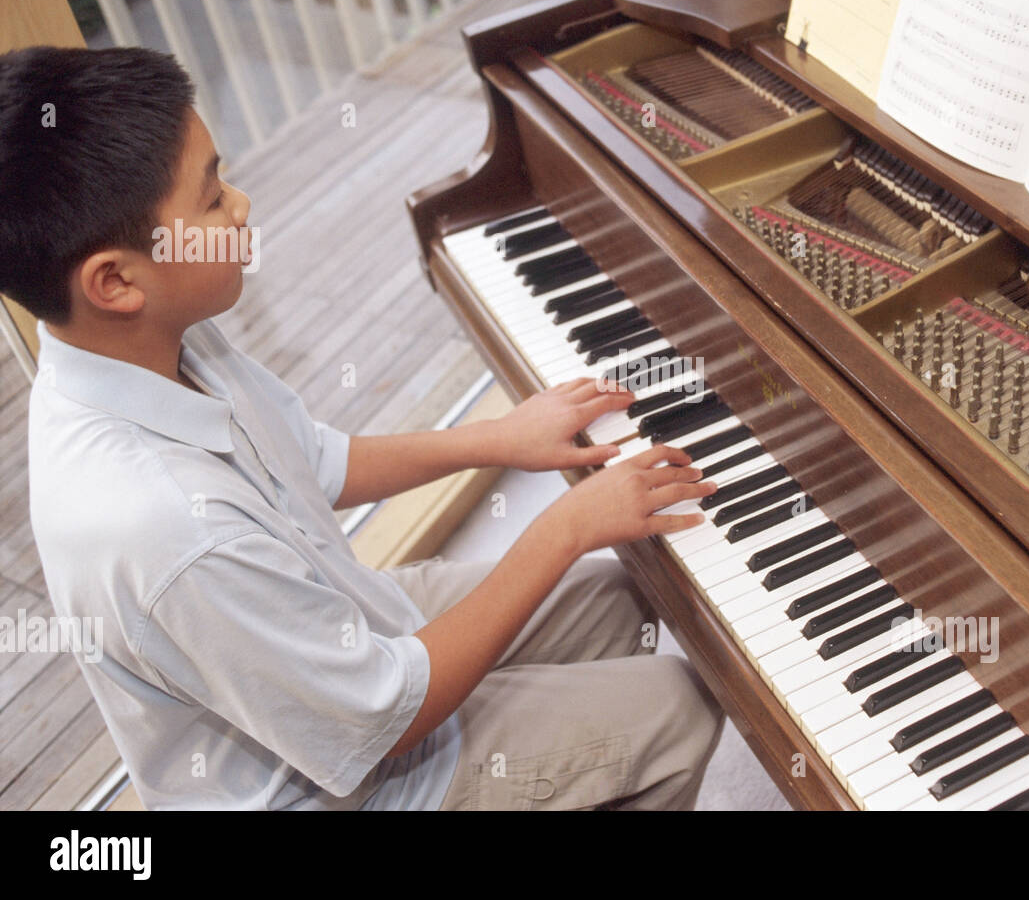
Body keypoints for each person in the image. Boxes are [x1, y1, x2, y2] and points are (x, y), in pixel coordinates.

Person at [0, 45, 725, 810]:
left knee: (630, 595)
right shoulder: (163, 526)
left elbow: (312, 458)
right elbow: (387, 717)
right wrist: (562, 529)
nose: (242, 205)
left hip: (350, 629)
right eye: (212, 200)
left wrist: (499, 437)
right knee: (675, 706)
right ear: (115, 281)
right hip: (355, 781)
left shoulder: (150, 338)